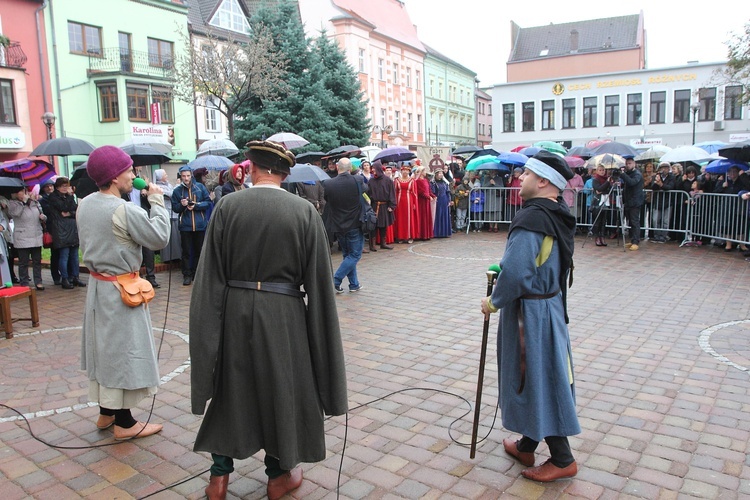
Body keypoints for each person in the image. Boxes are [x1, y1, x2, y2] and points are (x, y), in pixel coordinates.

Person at [189, 140, 348, 500]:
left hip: (235, 309)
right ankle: (278, 477)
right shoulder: (304, 211)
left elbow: (208, 278)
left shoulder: (228, 206)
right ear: (285, 173)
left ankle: (218, 478)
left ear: (251, 167)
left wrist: (207, 332)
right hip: (284, 313)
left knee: (231, 388)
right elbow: (321, 287)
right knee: (281, 388)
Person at [480, 150, 580, 483]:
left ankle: (563, 458)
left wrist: (494, 301)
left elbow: (520, 272)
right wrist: (506, 266)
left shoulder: (532, 219)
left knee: (538, 377)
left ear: (542, 181)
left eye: (525, 174)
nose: (519, 179)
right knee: (535, 374)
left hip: (531, 315)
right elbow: (537, 262)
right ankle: (527, 443)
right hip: (547, 307)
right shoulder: (554, 213)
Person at [77, 145, 170, 441]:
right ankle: (125, 423)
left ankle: (107, 411)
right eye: (129, 170)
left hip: (98, 287)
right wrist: (156, 201)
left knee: (105, 350)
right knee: (122, 353)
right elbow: (158, 239)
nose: (133, 175)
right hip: (120, 290)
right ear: (115, 177)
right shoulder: (123, 209)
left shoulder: (86, 203)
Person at [324, 157, 365, 292]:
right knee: (354, 255)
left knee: (348, 255)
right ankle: (335, 280)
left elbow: (327, 199)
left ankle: (354, 284)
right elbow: (366, 189)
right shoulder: (357, 180)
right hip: (354, 224)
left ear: (337, 167)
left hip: (338, 225)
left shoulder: (328, 183)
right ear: (350, 169)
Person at [171, 165, 211, 285]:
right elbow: (175, 208)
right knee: (186, 252)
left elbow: (208, 202)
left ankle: (197, 274)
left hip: (199, 224)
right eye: (183, 176)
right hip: (186, 226)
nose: (186, 178)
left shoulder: (199, 187)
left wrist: (196, 205)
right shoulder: (177, 191)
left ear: (191, 175)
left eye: (188, 175)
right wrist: (183, 205)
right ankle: (187, 275)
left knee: (199, 251)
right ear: (180, 176)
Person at [47, 177, 85, 289]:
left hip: (72, 229)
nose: (65, 188)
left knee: (74, 255)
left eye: (67, 186)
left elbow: (75, 209)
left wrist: (69, 213)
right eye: (63, 186)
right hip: (61, 230)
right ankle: (65, 278)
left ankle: (75, 277)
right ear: (57, 187)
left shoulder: (69, 197)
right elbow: (63, 207)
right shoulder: (53, 197)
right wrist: (69, 197)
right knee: (64, 255)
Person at [125, 165, 159, 288]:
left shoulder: (141, 185)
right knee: (133, 250)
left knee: (148, 250)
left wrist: (147, 193)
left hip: (143, 219)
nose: (133, 176)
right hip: (130, 220)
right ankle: (137, 276)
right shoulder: (123, 189)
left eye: (133, 172)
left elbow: (151, 205)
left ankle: (151, 277)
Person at [8, 186, 46, 290]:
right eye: (22, 192)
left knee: (37, 261)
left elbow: (42, 213)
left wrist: (43, 217)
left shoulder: (35, 202)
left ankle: (38, 281)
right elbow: (15, 213)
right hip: (22, 236)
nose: (25, 194)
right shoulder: (13, 203)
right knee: (23, 262)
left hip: (36, 235)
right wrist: (24, 203)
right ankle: (24, 282)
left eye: (25, 191)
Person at [367, 160, 396, 250]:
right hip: (374, 205)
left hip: (384, 206)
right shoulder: (371, 181)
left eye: (374, 169)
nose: (373, 171)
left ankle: (383, 243)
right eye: (372, 169)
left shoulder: (388, 180)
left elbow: (392, 193)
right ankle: (373, 245)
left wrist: (392, 206)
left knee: (383, 225)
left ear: (379, 169)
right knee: (373, 225)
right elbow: (368, 193)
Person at [617, 157, 645, 251]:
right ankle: (632, 239)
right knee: (630, 222)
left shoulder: (637, 174)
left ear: (634, 163)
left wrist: (623, 175)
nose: (627, 165)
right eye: (626, 163)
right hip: (628, 201)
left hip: (635, 201)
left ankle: (636, 241)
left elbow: (632, 182)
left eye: (629, 163)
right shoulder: (628, 174)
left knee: (634, 222)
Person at [39, 179, 61, 285]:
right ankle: (55, 276)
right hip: (51, 229)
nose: (50, 188)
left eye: (51, 186)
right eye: (47, 186)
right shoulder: (43, 200)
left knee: (62, 253)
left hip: (60, 228)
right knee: (55, 254)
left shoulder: (58, 198)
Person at [650, 161, 676, 243]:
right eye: (662, 168)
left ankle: (663, 236)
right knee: (655, 219)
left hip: (668, 202)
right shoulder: (656, 176)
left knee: (666, 221)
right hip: (657, 201)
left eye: (666, 167)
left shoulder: (672, 177)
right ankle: (656, 235)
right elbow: (652, 187)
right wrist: (656, 182)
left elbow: (670, 187)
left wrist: (661, 184)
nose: (664, 169)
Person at [393, 163, 419, 243]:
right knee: (400, 219)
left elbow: (414, 193)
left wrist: (414, 203)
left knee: (408, 218)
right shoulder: (397, 180)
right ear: (401, 171)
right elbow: (395, 192)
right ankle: (400, 236)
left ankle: (409, 236)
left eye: (407, 170)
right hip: (399, 202)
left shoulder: (412, 181)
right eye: (403, 170)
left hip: (409, 202)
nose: (405, 172)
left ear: (409, 172)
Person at [590, 165, 612, 247]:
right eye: (600, 170)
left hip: (605, 201)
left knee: (603, 221)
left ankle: (602, 236)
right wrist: (606, 185)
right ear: (597, 171)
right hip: (598, 202)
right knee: (597, 221)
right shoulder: (595, 180)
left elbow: (608, 190)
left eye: (603, 170)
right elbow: (599, 189)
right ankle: (597, 237)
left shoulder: (607, 179)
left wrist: (606, 185)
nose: (602, 171)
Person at [414, 166, 434, 240]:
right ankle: (422, 235)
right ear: (421, 172)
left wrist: (433, 195)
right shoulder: (418, 181)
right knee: (422, 217)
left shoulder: (426, 180)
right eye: (424, 171)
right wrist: (428, 197)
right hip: (421, 202)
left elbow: (429, 190)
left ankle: (427, 234)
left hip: (426, 201)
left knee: (427, 217)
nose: (425, 172)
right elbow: (420, 192)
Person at [432, 169, 453, 237]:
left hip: (444, 200)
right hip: (438, 200)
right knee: (438, 215)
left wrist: (449, 200)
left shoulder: (445, 183)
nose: (441, 174)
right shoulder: (433, 183)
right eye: (439, 173)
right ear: (436, 174)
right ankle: (437, 233)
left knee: (445, 215)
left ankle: (444, 232)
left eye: (442, 173)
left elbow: (448, 192)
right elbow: (433, 192)